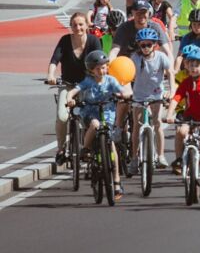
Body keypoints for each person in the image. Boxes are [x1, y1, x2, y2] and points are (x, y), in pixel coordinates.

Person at [66, 50, 131, 200]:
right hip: (90, 112)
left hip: (107, 114)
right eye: (97, 68)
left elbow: (121, 91)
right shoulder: (88, 81)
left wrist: (125, 95)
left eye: (104, 67)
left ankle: (116, 181)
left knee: (112, 148)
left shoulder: (111, 80)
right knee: (95, 124)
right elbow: (75, 90)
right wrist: (70, 98)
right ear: (91, 70)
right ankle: (87, 148)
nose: (101, 70)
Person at [46, 13, 102, 164]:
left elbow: (100, 62)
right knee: (62, 117)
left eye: (81, 24)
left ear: (86, 26)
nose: (78, 28)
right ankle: (61, 149)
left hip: (87, 85)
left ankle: (88, 148)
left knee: (89, 119)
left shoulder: (93, 41)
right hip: (68, 84)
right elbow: (54, 60)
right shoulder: (65, 40)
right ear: (71, 26)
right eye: (75, 25)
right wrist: (51, 75)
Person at [166, 47, 200, 192]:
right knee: (182, 131)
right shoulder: (186, 82)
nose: (193, 68)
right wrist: (170, 115)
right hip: (189, 116)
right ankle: (180, 159)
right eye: (191, 65)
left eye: (197, 65)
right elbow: (176, 98)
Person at [125, 27, 174, 173]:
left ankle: (160, 155)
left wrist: (171, 91)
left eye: (149, 45)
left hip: (156, 96)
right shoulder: (135, 58)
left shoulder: (161, 57)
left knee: (158, 122)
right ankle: (134, 158)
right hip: (139, 96)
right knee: (136, 126)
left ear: (154, 45)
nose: (146, 48)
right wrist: (127, 90)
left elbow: (170, 73)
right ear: (138, 45)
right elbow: (127, 74)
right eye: (142, 45)